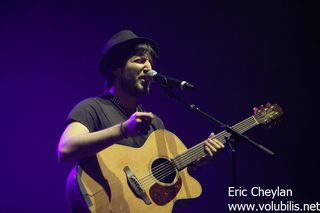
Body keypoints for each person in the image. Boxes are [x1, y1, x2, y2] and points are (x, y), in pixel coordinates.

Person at [57, 30, 224, 212]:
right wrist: (123, 130)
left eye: (150, 62)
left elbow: (164, 190)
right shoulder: (92, 108)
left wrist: (195, 165)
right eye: (139, 60)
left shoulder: (155, 124)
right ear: (115, 68)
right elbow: (66, 149)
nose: (149, 68)